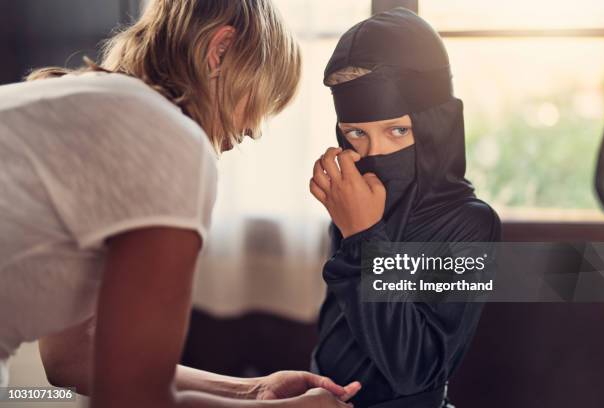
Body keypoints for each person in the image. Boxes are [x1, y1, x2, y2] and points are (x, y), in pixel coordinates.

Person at [0, 1, 360, 407]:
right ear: (219, 51)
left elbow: (74, 357)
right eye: (260, 99)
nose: (253, 130)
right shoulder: (167, 136)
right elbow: (133, 397)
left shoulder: (70, 101)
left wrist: (252, 390)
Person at [309, 8, 501, 408]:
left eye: (399, 130)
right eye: (357, 133)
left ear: (437, 125)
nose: (374, 153)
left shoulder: (469, 224)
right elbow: (338, 332)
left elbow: (415, 369)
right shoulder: (352, 199)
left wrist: (364, 237)